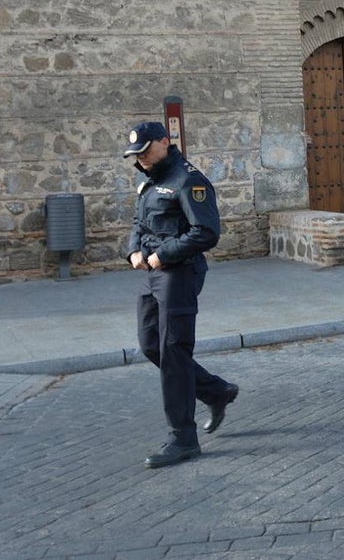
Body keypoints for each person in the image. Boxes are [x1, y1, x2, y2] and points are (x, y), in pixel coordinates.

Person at [123, 121, 239, 469]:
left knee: (174, 351)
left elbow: (206, 232)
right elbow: (138, 223)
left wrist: (165, 254)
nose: (140, 158)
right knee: (150, 344)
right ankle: (216, 391)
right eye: (135, 154)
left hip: (179, 274)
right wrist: (132, 251)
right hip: (152, 273)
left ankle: (183, 438)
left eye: (145, 150)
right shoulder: (151, 180)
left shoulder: (189, 180)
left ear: (164, 141)